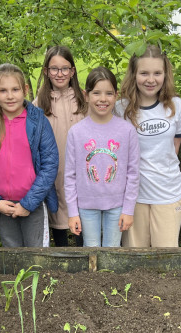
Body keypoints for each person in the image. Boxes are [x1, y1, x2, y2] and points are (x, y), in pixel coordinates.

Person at [0, 64, 58, 247]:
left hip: (32, 204)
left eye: (15, 89)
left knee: (36, 255)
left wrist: (28, 203)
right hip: (3, 206)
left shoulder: (38, 121)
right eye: (3, 90)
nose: (10, 96)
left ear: (25, 90)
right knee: (12, 254)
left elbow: (50, 165)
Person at [114, 45, 181, 247]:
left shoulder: (176, 106)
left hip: (167, 194)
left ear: (165, 75)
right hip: (132, 197)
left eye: (157, 73)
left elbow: (174, 149)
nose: (150, 79)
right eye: (144, 73)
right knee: (133, 260)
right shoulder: (120, 108)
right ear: (134, 74)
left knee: (165, 260)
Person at [64, 67, 140, 247]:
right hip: (86, 205)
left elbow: (133, 173)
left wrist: (128, 209)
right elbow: (70, 176)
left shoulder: (127, 131)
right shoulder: (76, 132)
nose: (103, 99)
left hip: (117, 205)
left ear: (116, 95)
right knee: (90, 248)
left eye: (108, 93)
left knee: (112, 250)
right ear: (86, 95)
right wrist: (73, 212)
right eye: (96, 93)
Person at [33, 46, 87, 246]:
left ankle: (84, 258)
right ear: (46, 71)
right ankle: (62, 257)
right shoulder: (38, 104)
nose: (60, 74)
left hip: (81, 172)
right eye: (54, 69)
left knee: (81, 217)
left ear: (72, 71)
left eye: (65, 69)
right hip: (54, 171)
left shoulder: (84, 100)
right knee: (58, 216)